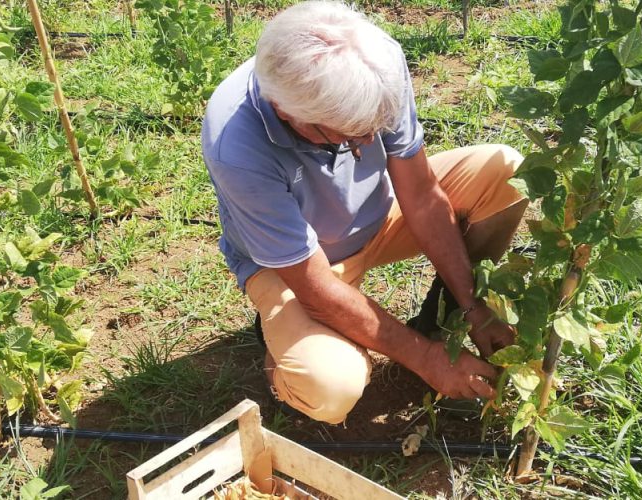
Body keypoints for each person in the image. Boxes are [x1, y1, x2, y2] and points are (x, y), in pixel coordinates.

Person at [201, 0, 529, 424]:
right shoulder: (238, 146)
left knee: (503, 172)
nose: (368, 144)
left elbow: (422, 193)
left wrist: (473, 306)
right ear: (289, 114)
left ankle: (440, 320)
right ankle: (280, 360)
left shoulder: (372, 65)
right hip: (296, 270)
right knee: (330, 386)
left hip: (381, 214)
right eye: (350, 137)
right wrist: (426, 359)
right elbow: (315, 285)